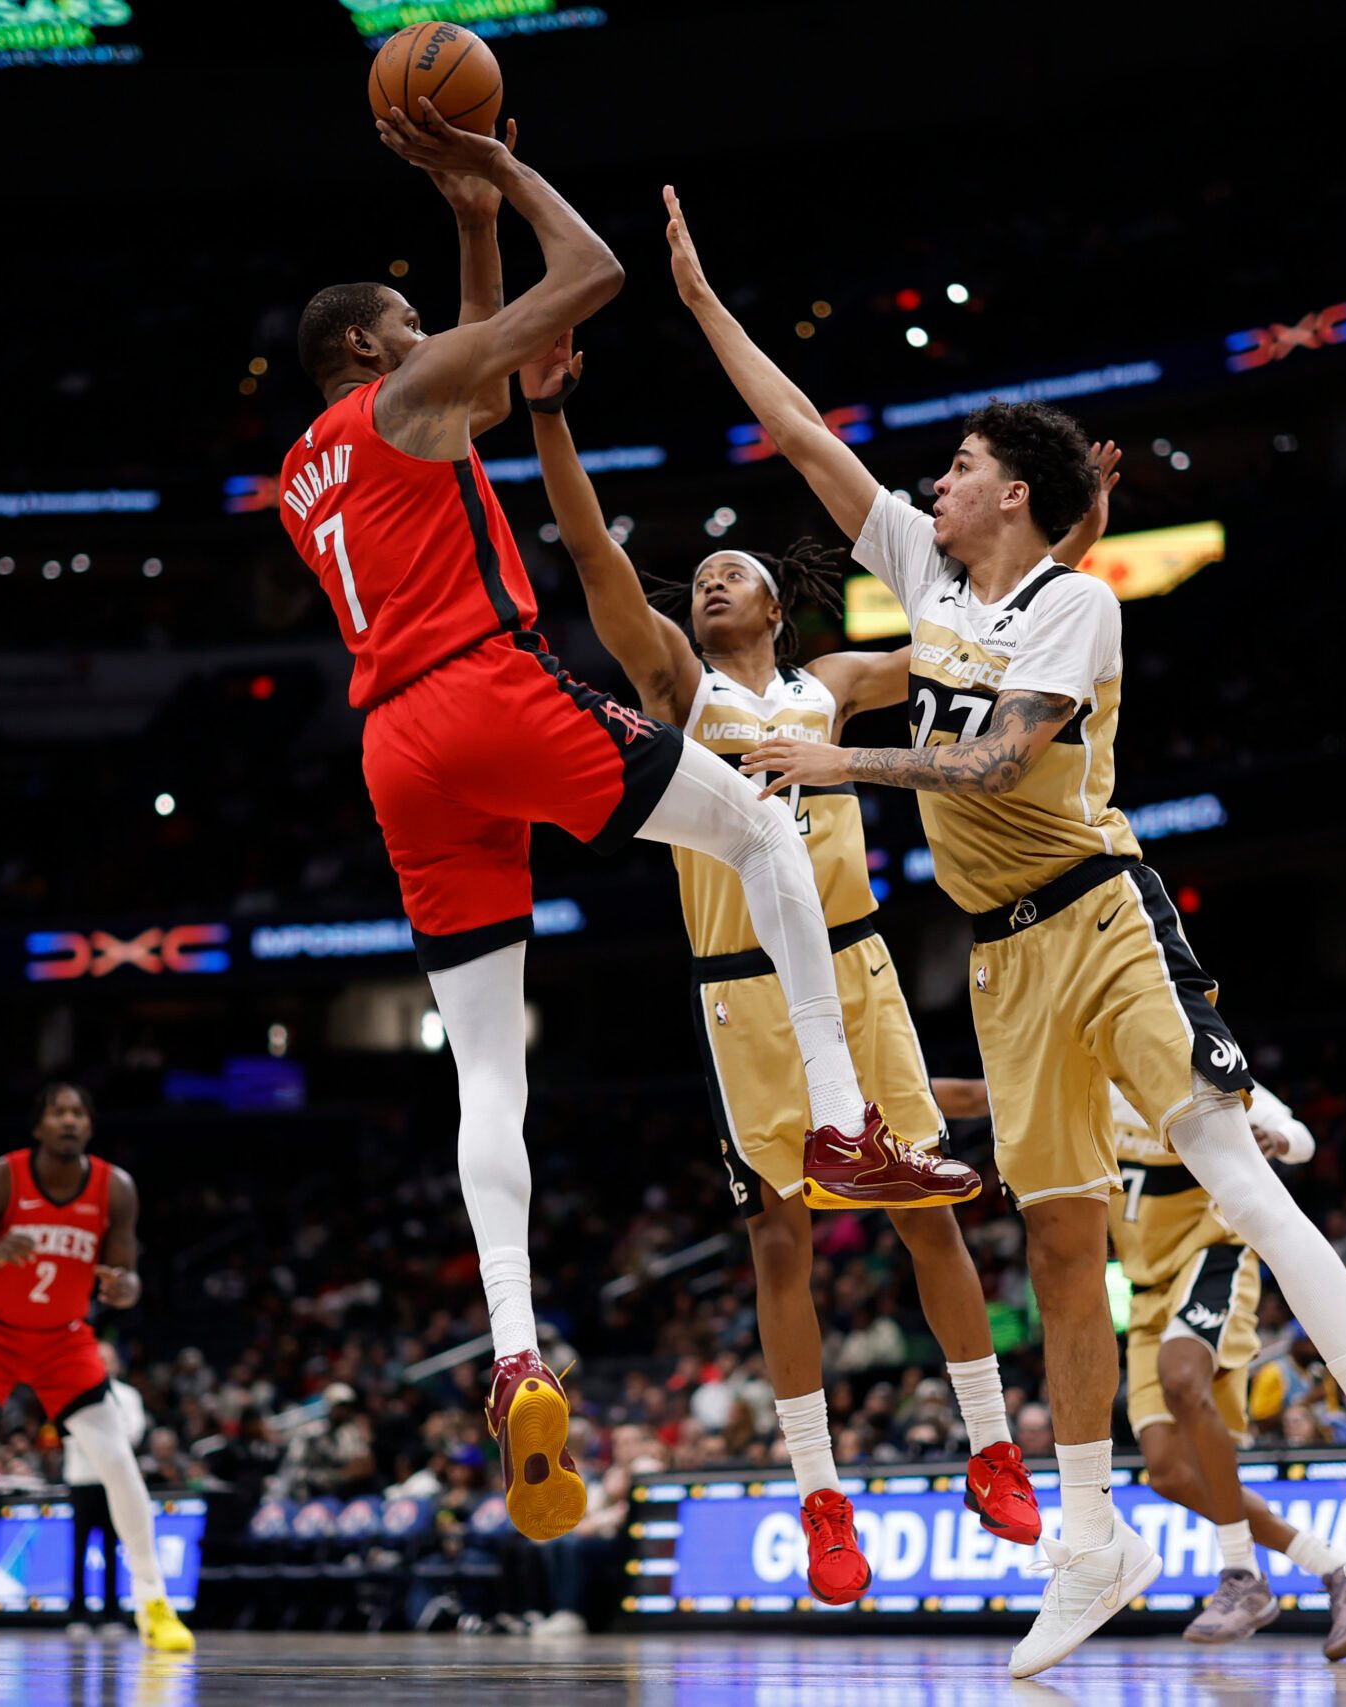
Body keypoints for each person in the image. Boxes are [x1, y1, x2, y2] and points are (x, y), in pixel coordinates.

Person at [663, 182, 1346, 1681]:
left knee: (1226, 1157)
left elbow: (1001, 758)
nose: (933, 480)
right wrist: (706, 307)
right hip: (998, 953)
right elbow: (807, 442)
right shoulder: (922, 571)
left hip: (1102, 910)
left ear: (1011, 498)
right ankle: (1094, 1538)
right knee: (1055, 1233)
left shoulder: (1075, 607)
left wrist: (845, 761)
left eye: (958, 466)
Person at [281, 104, 913, 1547]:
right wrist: (500, 169)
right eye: (415, 322)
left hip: (394, 752)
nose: (438, 331)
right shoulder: (401, 398)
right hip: (488, 694)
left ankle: (514, 1353)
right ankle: (839, 1114)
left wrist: (466, 226)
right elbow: (599, 274)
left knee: (488, 1066)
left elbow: (490, 374)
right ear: (380, 350)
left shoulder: (309, 466)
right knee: (761, 825)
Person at [512, 339, 1070, 1601]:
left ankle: (993, 1449)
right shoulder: (677, 690)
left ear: (778, 604)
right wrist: (549, 420)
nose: (710, 583)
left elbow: (983, 643)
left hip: (861, 972)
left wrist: (1071, 541)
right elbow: (597, 562)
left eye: (732, 573)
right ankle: (821, 1500)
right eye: (700, 576)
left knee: (929, 1211)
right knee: (778, 1242)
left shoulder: (830, 686)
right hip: (739, 991)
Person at [0, 1084, 192, 1654]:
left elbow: (130, 1279)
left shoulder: (115, 1188)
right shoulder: (0, 1178)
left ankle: (155, 1605)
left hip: (64, 1342)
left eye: (79, 1112)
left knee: (120, 1464)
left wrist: (124, 1288)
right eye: (58, 1112)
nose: (69, 1121)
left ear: (89, 1127)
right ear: (39, 1127)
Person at [1095, 1079, 1346, 1655]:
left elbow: (1300, 1137)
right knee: (1169, 1473)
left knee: (1181, 1380)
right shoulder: (1096, 1082)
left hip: (1214, 1257)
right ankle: (1335, 1570)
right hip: (1146, 1287)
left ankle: (1240, 1575)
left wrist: (1274, 1138)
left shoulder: (1203, 1068)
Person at [61, 1339, 148, 1631]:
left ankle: (112, 1614)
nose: (103, 1363)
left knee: (113, 1547)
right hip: (81, 1480)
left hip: (113, 1482)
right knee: (79, 1549)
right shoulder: (72, 1391)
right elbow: (70, 1434)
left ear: (116, 1363)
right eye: (98, 1358)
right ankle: (78, 1615)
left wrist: (102, 1439)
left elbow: (133, 1433)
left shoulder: (128, 1396)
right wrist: (106, 1440)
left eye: (108, 1358)